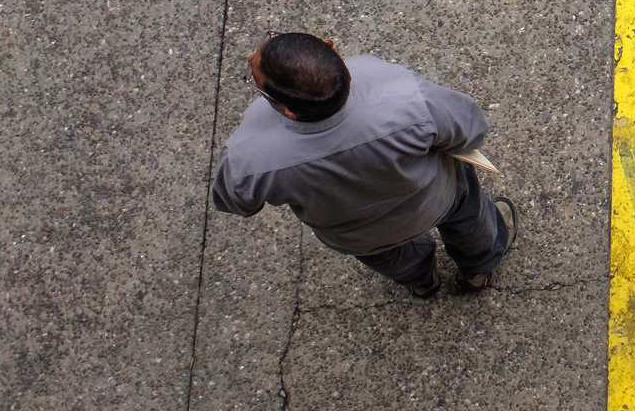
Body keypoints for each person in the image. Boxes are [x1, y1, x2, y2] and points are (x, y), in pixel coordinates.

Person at [210, 33, 515, 299]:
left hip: (357, 234)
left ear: (288, 111)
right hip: (434, 200)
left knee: (395, 259)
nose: (250, 57)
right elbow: (471, 129)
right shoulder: (402, 95)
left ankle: (422, 283)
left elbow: (235, 202)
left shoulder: (246, 157)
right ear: (332, 50)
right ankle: (477, 270)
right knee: (471, 221)